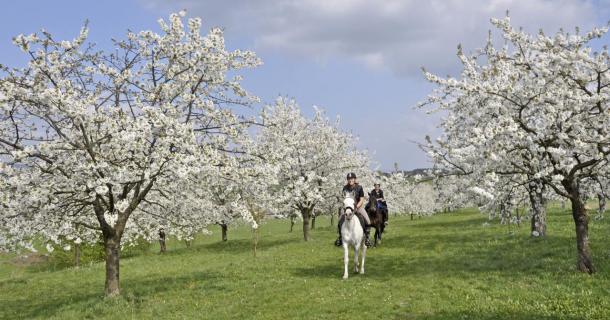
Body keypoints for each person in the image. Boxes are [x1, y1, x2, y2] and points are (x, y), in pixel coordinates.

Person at [334, 172, 372, 247]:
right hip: (347, 207)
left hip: (357, 206)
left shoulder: (359, 187)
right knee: (340, 220)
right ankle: (340, 237)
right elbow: (344, 199)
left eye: (351, 179)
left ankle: (367, 238)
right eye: (349, 179)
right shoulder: (345, 188)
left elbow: (361, 199)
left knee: (367, 220)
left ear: (354, 179)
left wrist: (357, 207)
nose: (350, 180)